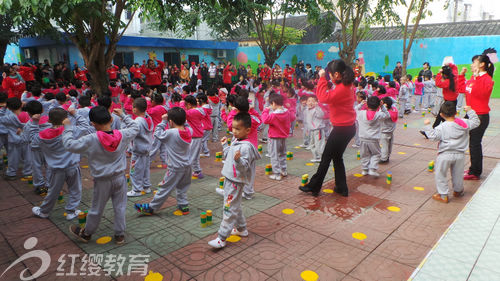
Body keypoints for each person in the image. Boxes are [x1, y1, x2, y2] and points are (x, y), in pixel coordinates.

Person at [66, 107, 139, 244]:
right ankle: (119, 235)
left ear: (92, 123)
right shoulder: (123, 134)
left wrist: (68, 128)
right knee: (120, 207)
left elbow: (69, 145)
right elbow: (135, 127)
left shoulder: (90, 139)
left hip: (102, 180)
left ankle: (87, 233)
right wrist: (123, 115)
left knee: (96, 208)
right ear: (111, 119)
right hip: (120, 178)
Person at [299, 59, 356, 197]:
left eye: (330, 74)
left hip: (342, 129)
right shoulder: (346, 85)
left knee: (326, 158)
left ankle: (314, 186)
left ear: (336, 74)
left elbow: (323, 97)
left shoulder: (343, 88)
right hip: (347, 127)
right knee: (337, 157)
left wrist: (322, 78)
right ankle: (342, 188)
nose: (329, 76)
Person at [208, 112, 261, 248]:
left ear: (248, 130)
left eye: (238, 129)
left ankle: (221, 237)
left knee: (229, 208)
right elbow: (229, 156)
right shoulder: (236, 141)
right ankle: (241, 228)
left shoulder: (246, 147)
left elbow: (245, 166)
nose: (234, 131)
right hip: (229, 178)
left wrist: (238, 160)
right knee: (234, 205)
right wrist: (225, 146)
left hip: (235, 181)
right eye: (233, 128)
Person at [32, 107, 90, 220]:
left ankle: (44, 211)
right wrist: (75, 114)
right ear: (66, 119)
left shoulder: (42, 135)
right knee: (75, 189)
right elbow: (85, 127)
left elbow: (32, 142)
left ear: (49, 120)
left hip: (56, 169)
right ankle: (71, 211)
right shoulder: (71, 130)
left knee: (53, 191)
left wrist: (34, 123)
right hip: (72, 166)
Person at [134, 107, 193, 216]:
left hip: (175, 168)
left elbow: (157, 133)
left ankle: (152, 207)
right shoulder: (189, 131)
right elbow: (187, 125)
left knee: (164, 188)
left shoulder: (171, 133)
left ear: (170, 121)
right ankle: (183, 205)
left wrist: (163, 121)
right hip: (188, 166)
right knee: (182, 187)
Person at [422, 103, 479, 203]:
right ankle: (458, 191)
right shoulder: (464, 123)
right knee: (458, 174)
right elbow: (476, 122)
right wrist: (470, 111)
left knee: (440, 174)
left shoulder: (442, 127)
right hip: (460, 154)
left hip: (445, 155)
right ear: (456, 112)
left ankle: (443, 195)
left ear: (441, 115)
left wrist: (427, 126)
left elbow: (433, 136)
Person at [462, 53, 495, 180]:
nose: (471, 65)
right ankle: (473, 169)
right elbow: (463, 89)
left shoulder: (487, 79)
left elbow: (482, 94)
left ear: (481, 65)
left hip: (480, 115)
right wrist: (461, 76)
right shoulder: (474, 77)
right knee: (470, 142)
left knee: (474, 143)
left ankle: (475, 172)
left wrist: (476, 78)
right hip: (470, 114)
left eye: (474, 62)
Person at [262, 93, 295, 181]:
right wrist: (291, 108)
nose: (270, 106)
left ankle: (277, 174)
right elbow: (292, 118)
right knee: (282, 154)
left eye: (270, 104)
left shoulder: (274, 115)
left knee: (274, 155)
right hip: (283, 137)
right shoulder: (286, 111)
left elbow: (264, 120)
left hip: (274, 138)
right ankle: (283, 170)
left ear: (273, 103)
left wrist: (265, 110)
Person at [127, 98, 154, 197]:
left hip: (138, 150)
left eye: (133, 106)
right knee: (145, 169)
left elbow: (132, 134)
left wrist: (129, 148)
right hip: (147, 148)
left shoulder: (137, 121)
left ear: (135, 109)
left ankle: (136, 190)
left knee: (135, 170)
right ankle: (146, 187)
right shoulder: (148, 118)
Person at [22, 100, 51, 195]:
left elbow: (25, 139)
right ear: (42, 110)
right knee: (49, 166)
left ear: (28, 113)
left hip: (35, 149)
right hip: (48, 147)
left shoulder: (28, 124)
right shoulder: (49, 122)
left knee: (36, 166)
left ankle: (39, 185)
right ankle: (49, 185)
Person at [356, 96, 389, 176]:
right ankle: (372, 169)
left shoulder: (361, 113)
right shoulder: (379, 114)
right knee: (376, 154)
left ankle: (364, 169)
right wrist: (382, 106)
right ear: (378, 106)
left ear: (367, 105)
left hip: (362, 137)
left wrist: (361, 104)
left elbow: (355, 110)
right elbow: (387, 115)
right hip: (374, 139)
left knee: (364, 154)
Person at [0, 97, 32, 180]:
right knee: (27, 156)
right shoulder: (26, 114)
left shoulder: (8, 116)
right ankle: (27, 172)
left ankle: (11, 173)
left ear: (9, 107)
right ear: (21, 105)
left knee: (13, 157)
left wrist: (4, 108)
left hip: (13, 140)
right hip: (25, 138)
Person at [184, 95, 205, 179]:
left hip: (195, 137)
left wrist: (181, 103)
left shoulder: (192, 112)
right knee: (195, 156)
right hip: (198, 136)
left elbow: (181, 113)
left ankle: (186, 174)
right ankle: (197, 171)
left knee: (191, 156)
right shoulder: (199, 110)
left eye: (186, 105)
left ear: (189, 104)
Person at [304, 95, 325, 163]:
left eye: (313, 101)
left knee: (319, 145)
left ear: (316, 102)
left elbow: (321, 115)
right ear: (306, 102)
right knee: (312, 144)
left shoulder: (317, 109)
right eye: (309, 101)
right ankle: (316, 157)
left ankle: (323, 158)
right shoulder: (307, 110)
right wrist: (307, 129)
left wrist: (317, 107)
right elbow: (307, 121)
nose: (311, 102)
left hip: (318, 129)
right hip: (312, 130)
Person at [380, 97, 398, 164]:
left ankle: (383, 158)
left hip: (385, 131)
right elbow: (394, 101)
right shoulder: (394, 109)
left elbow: (380, 117)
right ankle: (387, 156)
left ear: (385, 105)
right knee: (389, 145)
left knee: (384, 146)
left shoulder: (386, 114)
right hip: (391, 131)